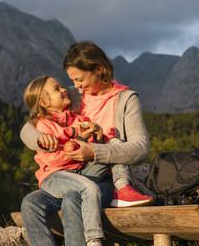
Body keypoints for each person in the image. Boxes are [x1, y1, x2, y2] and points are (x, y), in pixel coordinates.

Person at [20, 41, 153, 246]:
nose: (75, 85)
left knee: (74, 198)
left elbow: (141, 148)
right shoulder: (74, 95)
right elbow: (29, 126)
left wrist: (93, 151)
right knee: (30, 202)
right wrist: (39, 139)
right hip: (68, 172)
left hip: (101, 177)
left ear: (99, 69)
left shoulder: (126, 100)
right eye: (72, 80)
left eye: (79, 79)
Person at [23, 75, 111, 246]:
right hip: (57, 177)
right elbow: (55, 162)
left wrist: (98, 138)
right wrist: (78, 137)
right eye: (57, 89)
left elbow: (93, 154)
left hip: (81, 174)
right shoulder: (43, 127)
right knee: (30, 203)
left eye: (62, 86)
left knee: (72, 198)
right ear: (43, 103)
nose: (64, 89)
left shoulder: (79, 120)